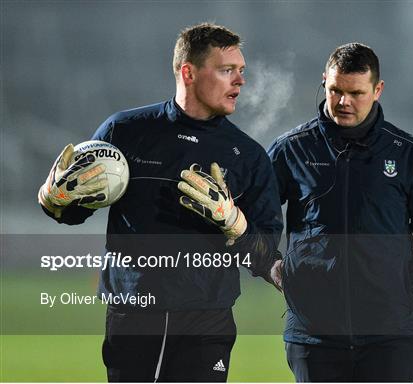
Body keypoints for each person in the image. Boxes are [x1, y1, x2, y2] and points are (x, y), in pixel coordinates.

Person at [38, 23, 283, 382]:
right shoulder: (123, 131)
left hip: (207, 320)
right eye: (227, 70)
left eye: (241, 71)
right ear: (188, 72)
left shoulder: (248, 156)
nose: (240, 81)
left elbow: (264, 255)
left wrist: (235, 222)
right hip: (133, 311)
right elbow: (73, 211)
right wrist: (52, 199)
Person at [268, 42, 413, 382]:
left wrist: (412, 285)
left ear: (377, 90)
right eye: (335, 90)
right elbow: (250, 220)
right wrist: (269, 266)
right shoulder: (291, 150)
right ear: (324, 80)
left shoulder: (408, 154)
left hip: (389, 335)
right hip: (313, 335)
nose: (343, 102)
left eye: (356, 92)